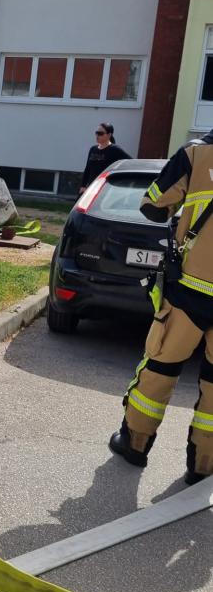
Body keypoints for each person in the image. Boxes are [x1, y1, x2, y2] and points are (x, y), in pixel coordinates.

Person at [109, 130, 213, 485]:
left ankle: (135, 444)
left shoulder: (196, 155)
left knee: (160, 367)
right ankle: (204, 464)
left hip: (191, 290)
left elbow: (152, 205)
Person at [79, 123, 131, 193]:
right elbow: (87, 169)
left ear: (109, 135)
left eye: (100, 133)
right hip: (91, 187)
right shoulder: (93, 149)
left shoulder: (115, 149)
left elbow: (130, 162)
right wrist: (83, 185)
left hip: (105, 189)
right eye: (96, 133)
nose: (97, 135)